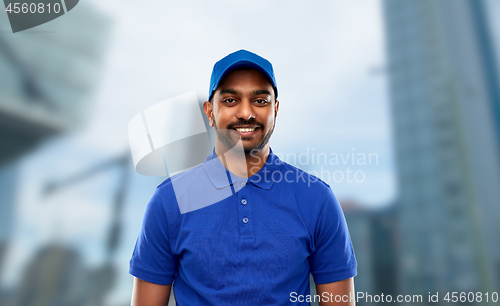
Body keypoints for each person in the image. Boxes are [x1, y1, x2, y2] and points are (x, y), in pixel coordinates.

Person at [129, 50, 357, 305]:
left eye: (260, 100)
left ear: (276, 109)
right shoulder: (169, 201)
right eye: (230, 100)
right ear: (209, 111)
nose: (246, 113)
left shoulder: (317, 199)